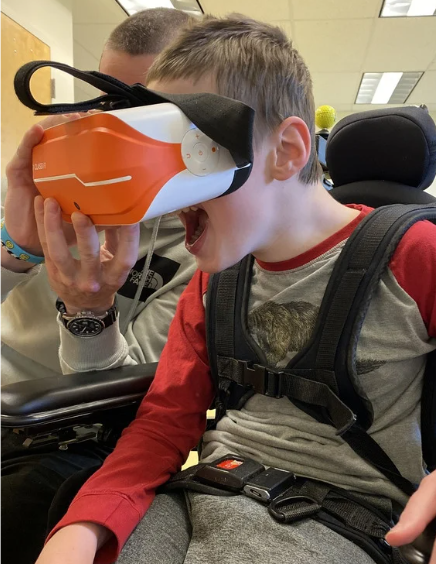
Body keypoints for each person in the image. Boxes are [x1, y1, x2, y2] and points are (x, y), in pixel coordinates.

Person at [31, 14, 436, 564]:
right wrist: (86, 523)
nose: (167, 192)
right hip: (203, 495)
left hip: (341, 519)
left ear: (286, 151)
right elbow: (164, 424)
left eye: (189, 152)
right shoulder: (212, 283)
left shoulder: (413, 254)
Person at [1, 8, 195, 564]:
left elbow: (129, 403)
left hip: (58, 430)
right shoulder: (51, 182)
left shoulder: (204, 239)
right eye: (109, 103)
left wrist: (89, 309)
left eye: (144, 110)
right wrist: (16, 251)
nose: (116, 128)